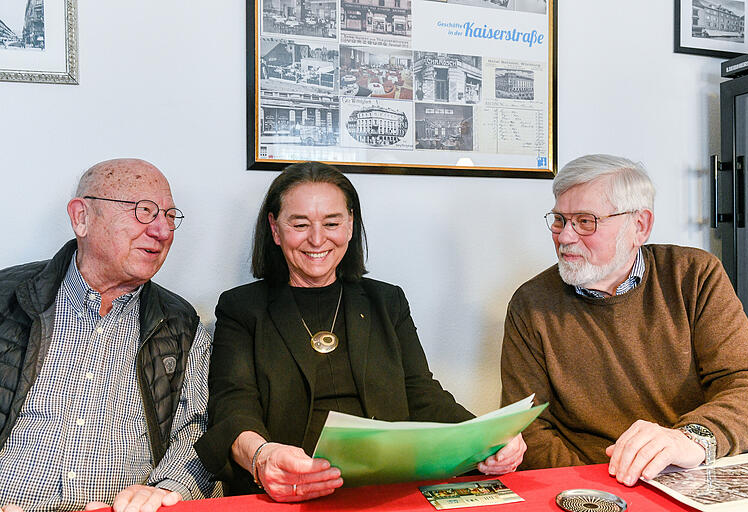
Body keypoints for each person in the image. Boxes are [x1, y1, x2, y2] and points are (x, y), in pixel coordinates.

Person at [194, 161, 526, 502]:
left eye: (332, 223)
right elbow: (234, 406)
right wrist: (263, 457)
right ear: (275, 230)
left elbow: (421, 393)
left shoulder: (387, 300)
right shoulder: (241, 307)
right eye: (300, 224)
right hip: (292, 491)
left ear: (350, 226)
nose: (317, 238)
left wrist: (485, 439)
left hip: (387, 490)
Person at [501, 154, 748, 487]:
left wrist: (692, 439)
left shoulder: (695, 276)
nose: (564, 237)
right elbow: (527, 427)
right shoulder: (531, 304)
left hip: (694, 477)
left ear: (639, 226)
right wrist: (600, 490)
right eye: (559, 219)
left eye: (585, 221)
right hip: (588, 489)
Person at [0, 159, 214, 512]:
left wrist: (165, 491)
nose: (162, 231)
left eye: (170, 216)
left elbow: (197, 430)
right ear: (81, 217)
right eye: (144, 212)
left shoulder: (180, 323)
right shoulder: (7, 299)